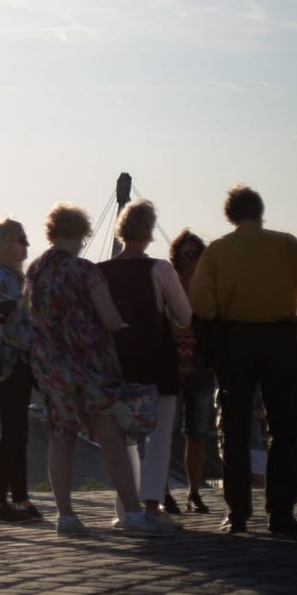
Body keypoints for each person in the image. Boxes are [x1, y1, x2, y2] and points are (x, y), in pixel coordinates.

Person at [189, 184, 297, 535]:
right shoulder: (285, 244)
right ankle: (281, 513)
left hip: (234, 341)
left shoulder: (217, 251)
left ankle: (238, 513)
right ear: (260, 212)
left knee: (236, 428)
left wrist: (221, 319)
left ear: (230, 215)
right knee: (285, 428)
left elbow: (200, 299)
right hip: (279, 338)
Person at [25, 203, 162, 536]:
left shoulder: (36, 271)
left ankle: (66, 516)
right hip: (88, 368)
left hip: (51, 368)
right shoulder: (84, 271)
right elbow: (110, 319)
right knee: (112, 439)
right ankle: (132, 513)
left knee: (61, 439)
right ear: (82, 234)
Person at [97, 201, 192, 531]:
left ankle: (127, 506)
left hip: (117, 364)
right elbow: (185, 315)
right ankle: (152, 507)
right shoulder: (160, 269)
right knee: (159, 436)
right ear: (149, 231)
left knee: (123, 438)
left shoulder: (101, 271)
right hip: (157, 361)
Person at [0, 219, 41, 523]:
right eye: (21, 240)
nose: (27, 246)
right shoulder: (4, 279)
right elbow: (14, 329)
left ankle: (19, 498)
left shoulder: (2, 275)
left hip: (7, 364)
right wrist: (38, 342)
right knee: (14, 433)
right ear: (6, 242)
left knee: (18, 433)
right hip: (10, 364)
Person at [168, 230, 217, 513]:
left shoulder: (209, 288)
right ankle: (163, 492)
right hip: (173, 368)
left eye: (194, 254)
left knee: (197, 433)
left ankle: (194, 492)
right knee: (167, 433)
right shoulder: (169, 283)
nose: (189, 260)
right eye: (184, 255)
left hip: (201, 366)